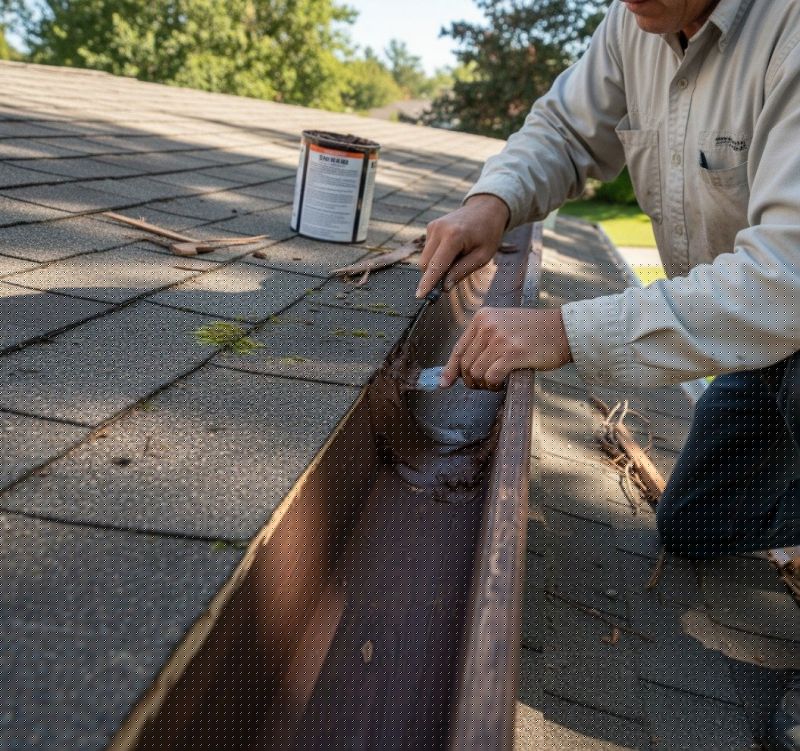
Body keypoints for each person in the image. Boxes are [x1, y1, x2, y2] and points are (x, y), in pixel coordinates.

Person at [415, 1, 800, 748]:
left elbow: (787, 279)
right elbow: (564, 129)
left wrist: (566, 330)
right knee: (698, 522)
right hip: (769, 348)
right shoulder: (640, 24)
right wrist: (491, 205)